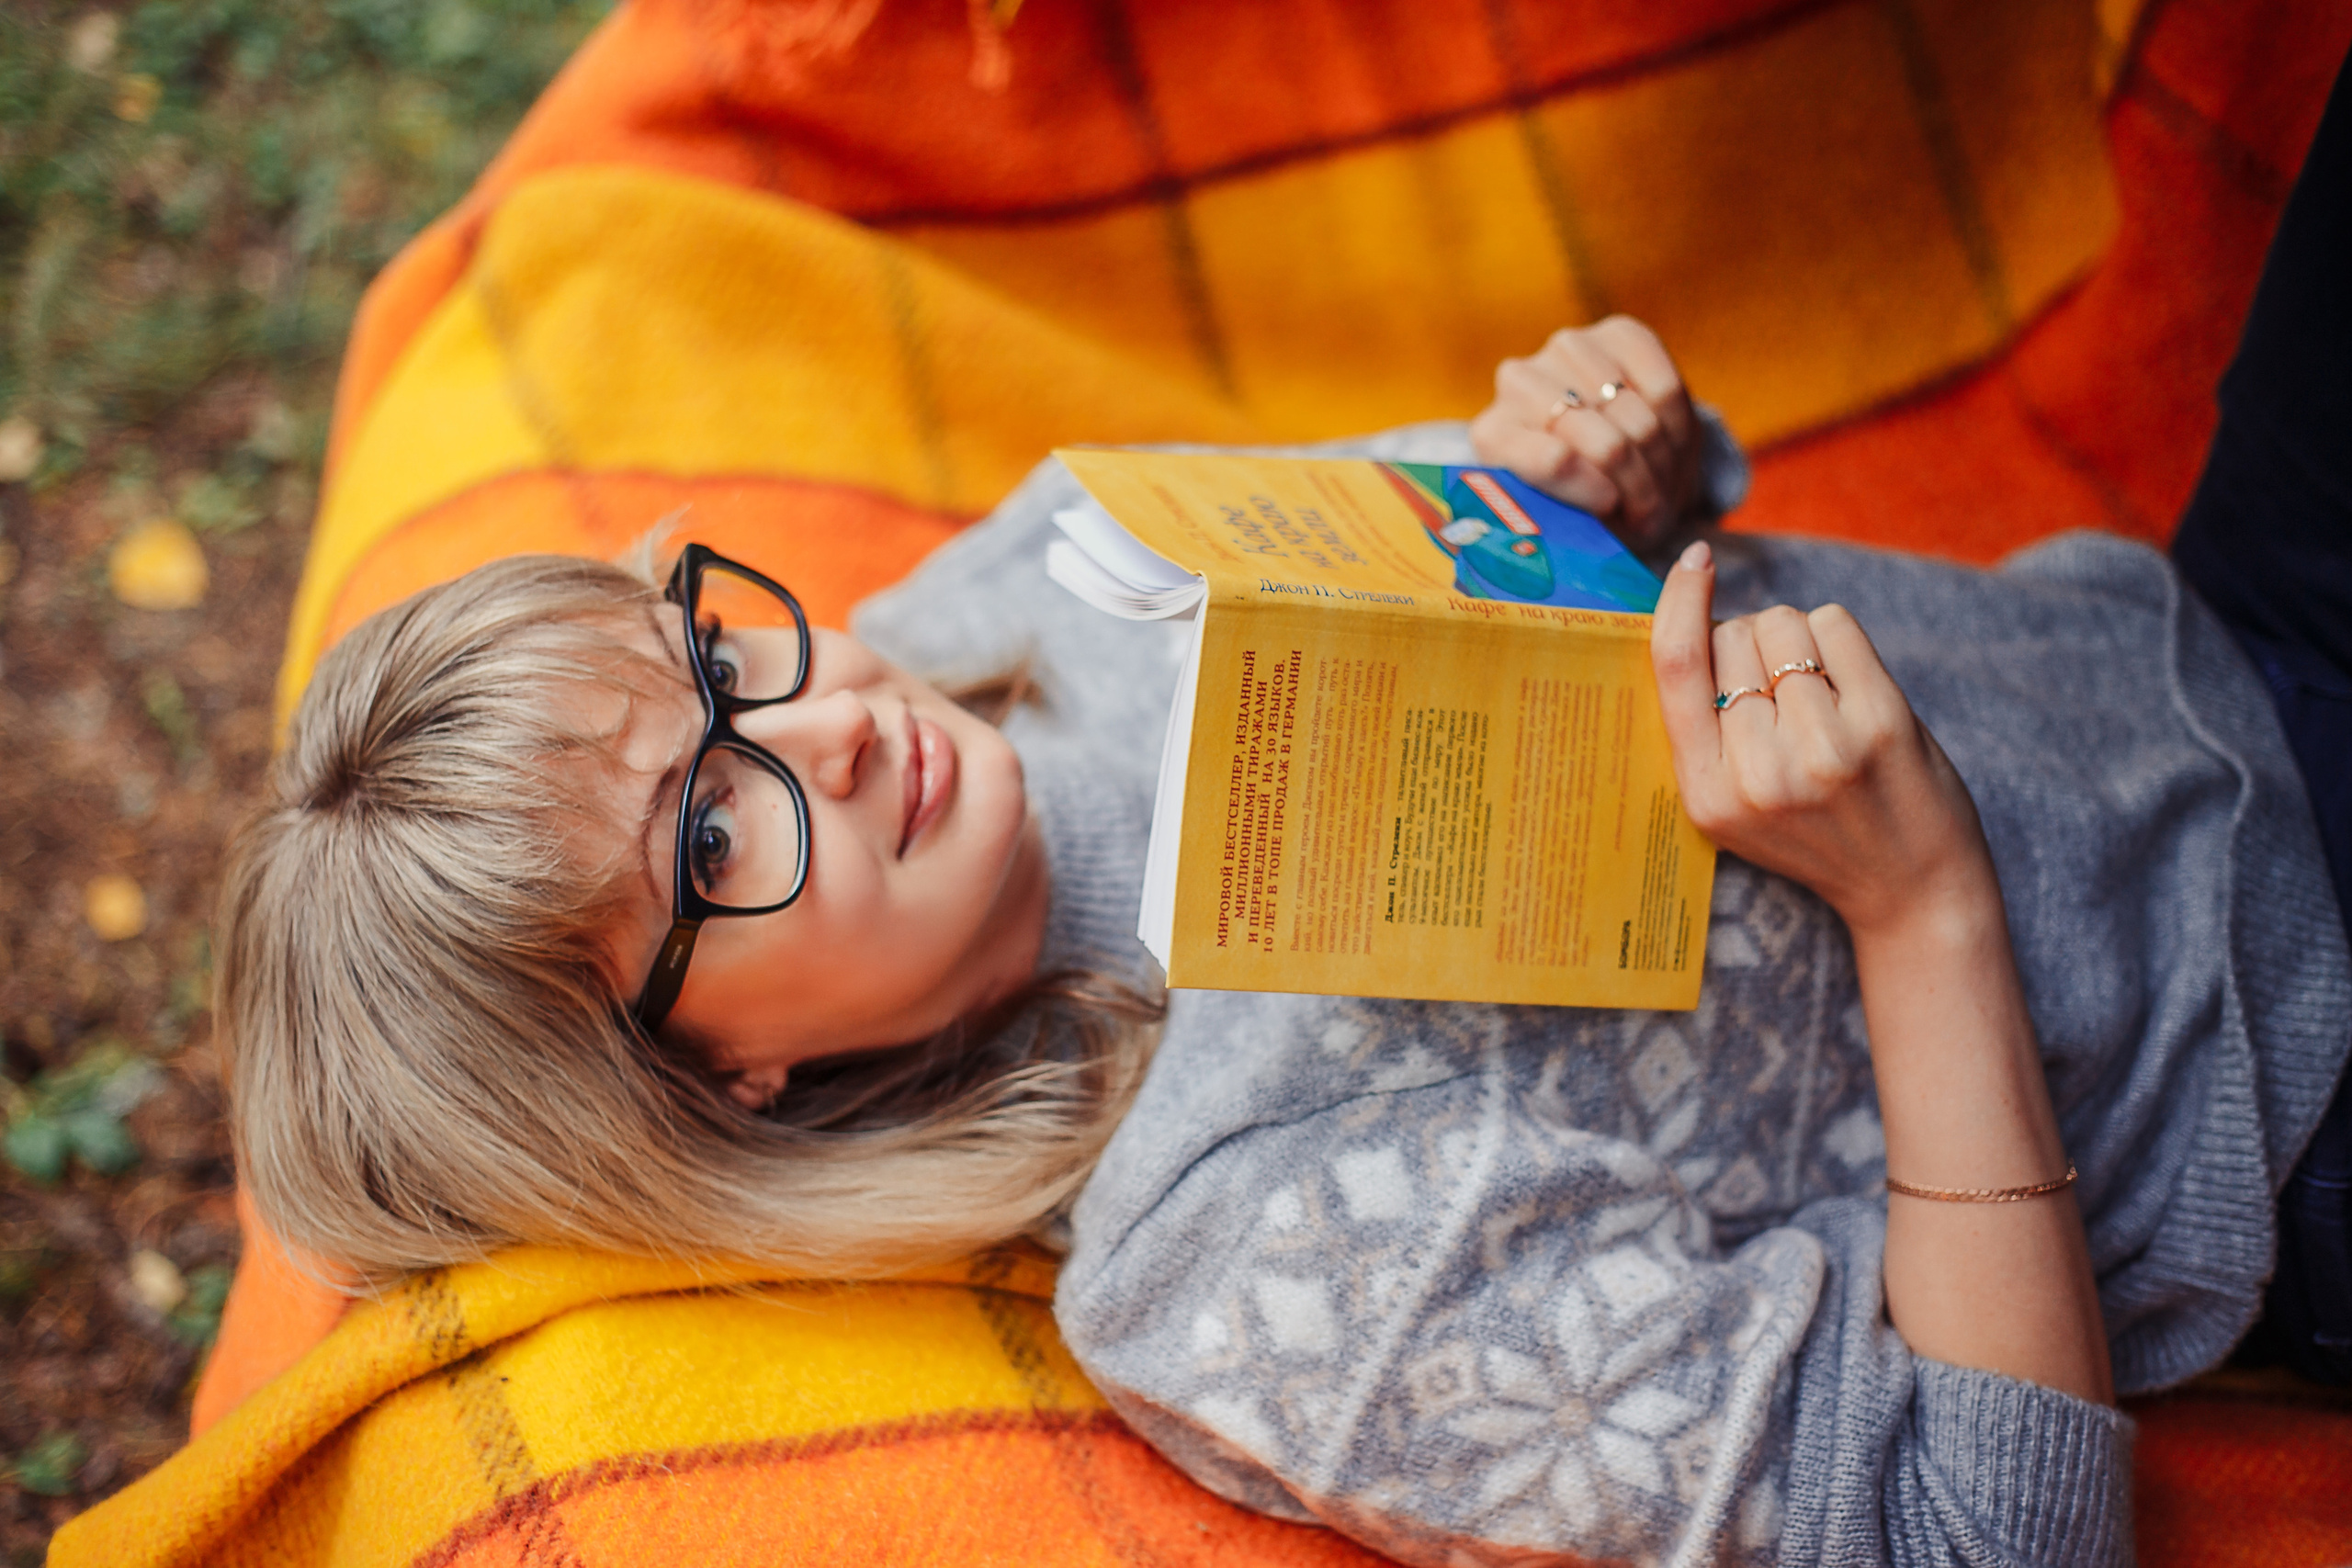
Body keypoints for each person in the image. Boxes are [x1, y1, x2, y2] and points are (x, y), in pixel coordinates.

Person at [214, 73, 2352, 1568]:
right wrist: (1917, 914)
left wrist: (1601, 484)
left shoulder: (1019, 592)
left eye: (717, 662)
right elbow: (1991, 1531)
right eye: (705, 842)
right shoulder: (1243, 1260)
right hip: (2287, 1053)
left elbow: (1662, 530)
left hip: (2184, 632)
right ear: (711, 1074)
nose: (830, 724)